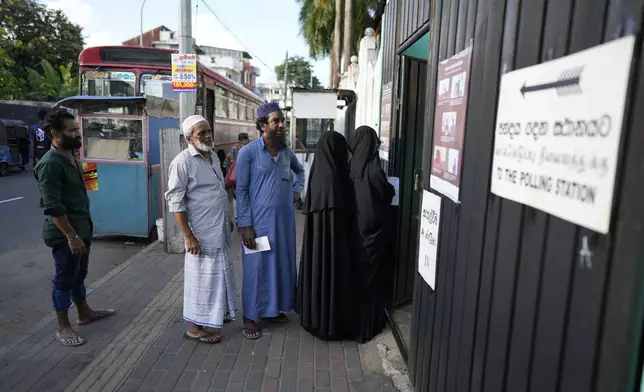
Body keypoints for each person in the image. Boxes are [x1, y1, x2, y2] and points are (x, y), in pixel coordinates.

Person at [34, 109, 114, 347]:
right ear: (54, 134)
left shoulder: (72, 156)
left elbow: (87, 187)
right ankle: (62, 326)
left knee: (79, 274)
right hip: (65, 233)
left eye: (77, 129)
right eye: (71, 130)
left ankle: (84, 313)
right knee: (64, 278)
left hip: (81, 228)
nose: (77, 133)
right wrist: (71, 236)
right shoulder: (50, 164)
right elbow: (53, 206)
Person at [165, 115, 237, 344]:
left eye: (208, 131)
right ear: (189, 138)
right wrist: (188, 237)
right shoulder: (182, 162)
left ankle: (215, 316)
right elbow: (175, 202)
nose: (207, 136)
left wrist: (228, 217)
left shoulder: (213, 157)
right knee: (201, 282)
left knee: (219, 277)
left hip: (219, 229)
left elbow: (217, 191)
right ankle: (195, 327)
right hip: (201, 234)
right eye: (201, 133)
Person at [236, 102, 305, 340]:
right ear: (263, 124)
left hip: (284, 224)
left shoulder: (286, 152)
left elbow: (301, 172)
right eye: (276, 121)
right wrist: (245, 225)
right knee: (257, 268)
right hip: (258, 224)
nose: (281, 125)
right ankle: (251, 317)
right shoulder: (248, 153)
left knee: (280, 265)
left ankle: (273, 310)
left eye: (282, 121)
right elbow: (241, 190)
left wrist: (297, 190)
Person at [296, 131, 356, 340]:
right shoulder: (335, 178)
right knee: (331, 274)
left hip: (317, 244)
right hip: (333, 243)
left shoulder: (318, 173)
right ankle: (331, 321)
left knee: (318, 271)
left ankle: (315, 318)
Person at [348, 126, 395, 343]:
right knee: (372, 281)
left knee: (357, 279)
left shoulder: (350, 168)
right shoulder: (375, 169)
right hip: (374, 235)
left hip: (355, 234)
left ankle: (355, 324)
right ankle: (369, 325)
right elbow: (386, 193)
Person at [223, 133, 250, 220]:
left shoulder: (235, 149)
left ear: (239, 140)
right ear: (247, 139)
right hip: (248, 177)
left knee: (236, 195)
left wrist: (230, 170)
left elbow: (226, 163)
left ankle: (237, 215)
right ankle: (246, 214)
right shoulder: (251, 148)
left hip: (237, 178)